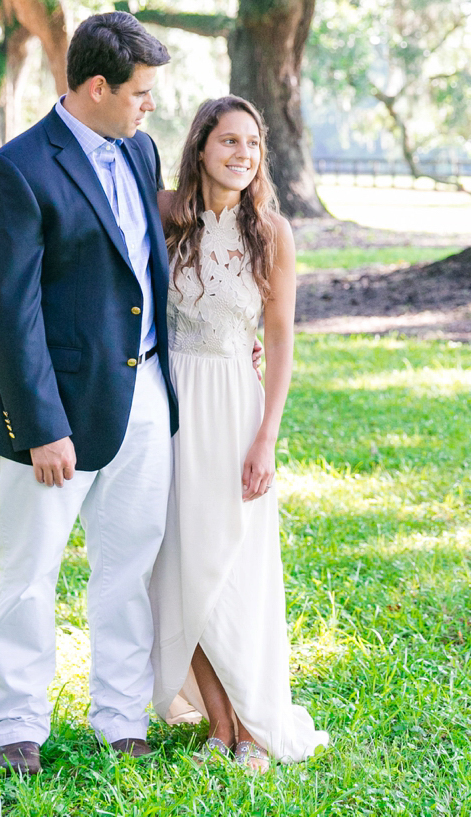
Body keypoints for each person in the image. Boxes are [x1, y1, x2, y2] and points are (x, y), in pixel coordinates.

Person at [0, 11, 178, 775]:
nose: (150, 105)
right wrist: (40, 425)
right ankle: (17, 726)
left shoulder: (142, 150)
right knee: (30, 572)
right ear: (97, 86)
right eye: (141, 92)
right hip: (56, 409)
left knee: (130, 565)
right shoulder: (16, 170)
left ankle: (122, 716)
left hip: (149, 391)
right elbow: (10, 311)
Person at [149, 96, 329, 773]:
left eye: (252, 143)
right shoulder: (167, 215)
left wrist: (267, 437)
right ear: (200, 147)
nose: (241, 154)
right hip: (169, 407)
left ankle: (256, 725)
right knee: (178, 565)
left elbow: (279, 339)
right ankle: (219, 727)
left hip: (234, 406)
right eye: (227, 141)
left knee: (236, 568)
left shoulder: (273, 233)